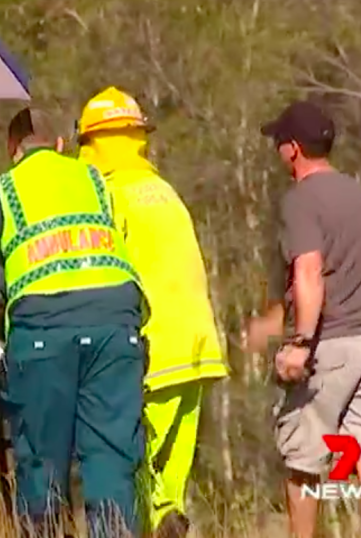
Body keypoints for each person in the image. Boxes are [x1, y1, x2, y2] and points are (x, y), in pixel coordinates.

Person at [0, 106, 149, 538]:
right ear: (61, 145)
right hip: (116, 322)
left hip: (44, 330)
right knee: (111, 461)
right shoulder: (95, 179)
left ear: (13, 150)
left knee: (42, 465)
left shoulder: (0, 192)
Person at [244, 100, 361, 538]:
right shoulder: (360, 194)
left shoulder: (300, 200)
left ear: (292, 149)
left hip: (327, 346)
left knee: (303, 456)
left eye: (279, 141)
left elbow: (310, 271)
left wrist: (299, 343)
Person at [76, 87, 229, 538]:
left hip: (152, 348)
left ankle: (154, 520)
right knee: (170, 481)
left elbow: (100, 274)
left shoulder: (106, 196)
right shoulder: (164, 191)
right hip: (198, 346)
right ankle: (168, 516)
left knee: (133, 461)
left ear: (92, 143)